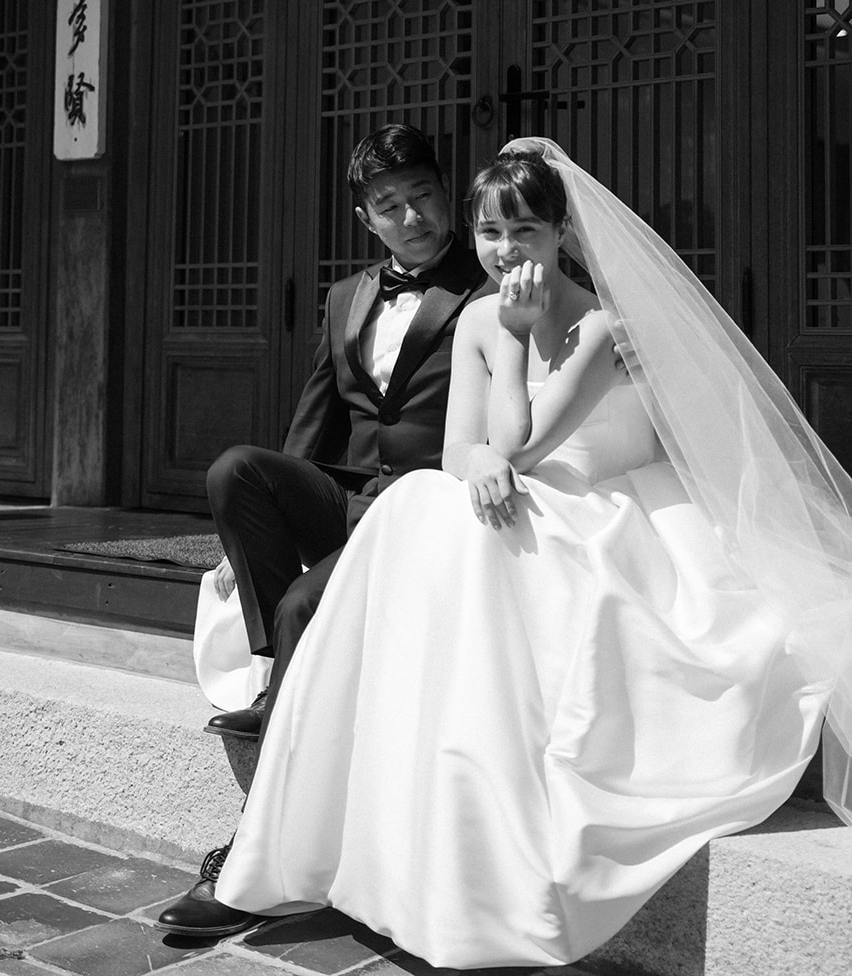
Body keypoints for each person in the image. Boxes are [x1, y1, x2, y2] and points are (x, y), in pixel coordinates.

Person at [164, 139, 852, 967]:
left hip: (586, 504)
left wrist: (516, 351)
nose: (504, 250)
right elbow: (463, 449)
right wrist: (479, 453)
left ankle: (361, 838)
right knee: (417, 504)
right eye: (491, 234)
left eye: (523, 230)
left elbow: (520, 445)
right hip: (482, 490)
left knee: (416, 536)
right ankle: (308, 824)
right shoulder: (476, 315)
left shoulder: (598, 324)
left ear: (561, 232)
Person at [163, 123, 486, 937]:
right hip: (353, 498)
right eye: (388, 205)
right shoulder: (345, 296)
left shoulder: (492, 279)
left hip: (429, 506)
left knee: (311, 605)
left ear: (444, 192)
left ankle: (248, 857)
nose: (409, 216)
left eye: (420, 196)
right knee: (238, 467)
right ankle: (282, 678)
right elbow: (314, 422)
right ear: (363, 216)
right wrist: (248, 544)